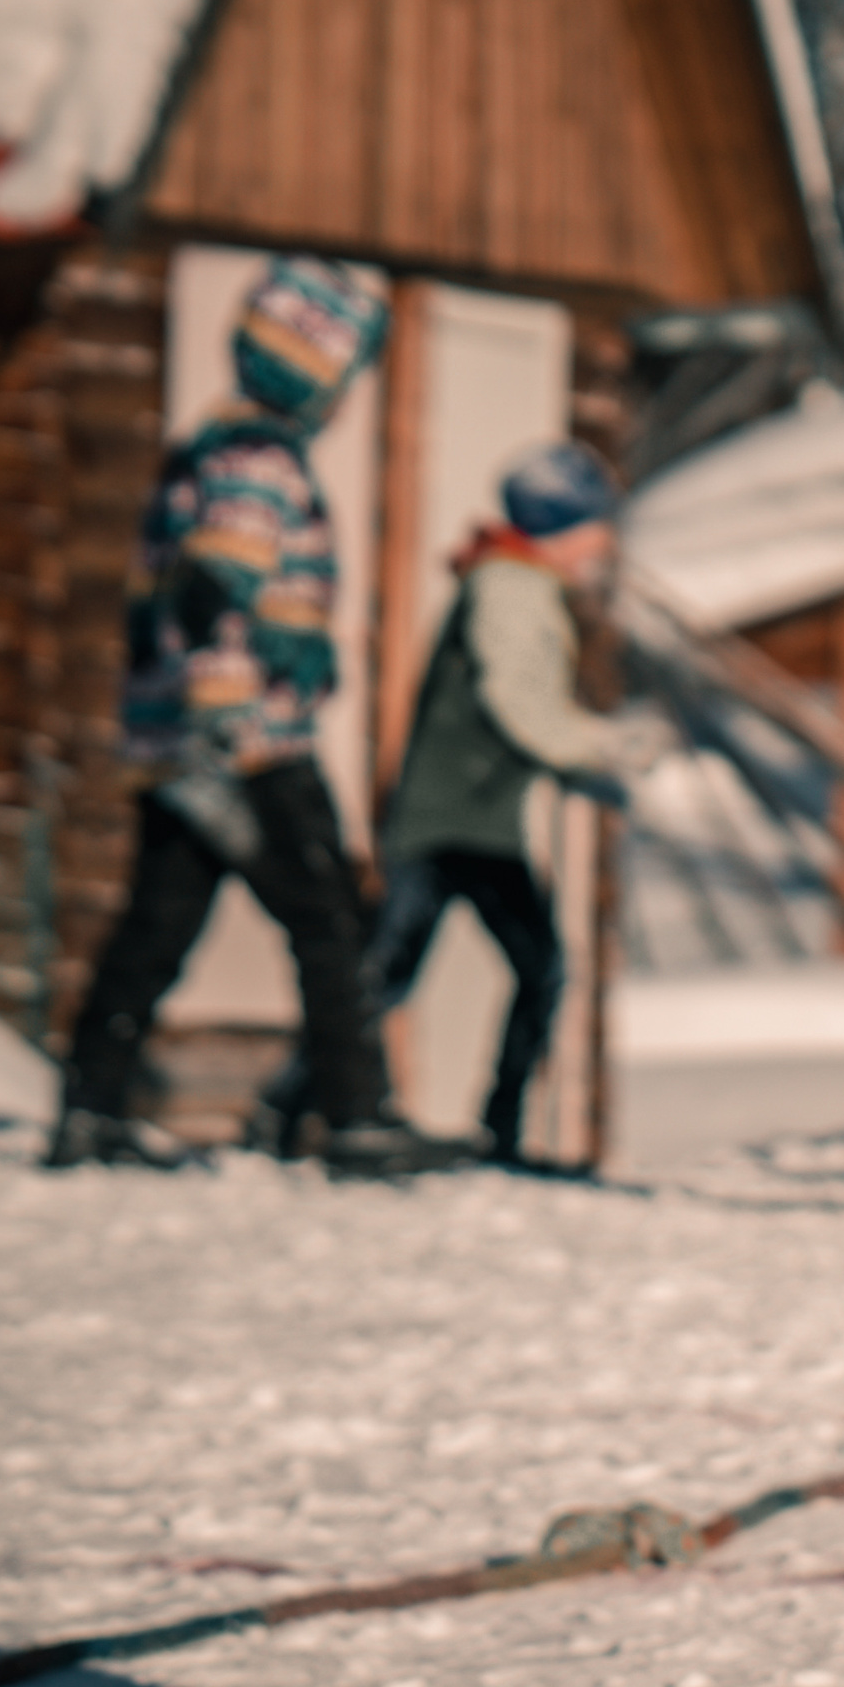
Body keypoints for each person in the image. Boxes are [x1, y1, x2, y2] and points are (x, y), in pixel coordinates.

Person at [51, 258, 458, 1176]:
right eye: (346, 376)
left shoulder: (209, 447)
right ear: (313, 377)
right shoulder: (260, 459)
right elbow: (213, 584)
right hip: (244, 746)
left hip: (178, 740)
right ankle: (356, 1118)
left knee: (156, 925)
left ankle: (91, 1107)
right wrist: (227, 720)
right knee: (331, 924)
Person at [369, 443, 662, 1169]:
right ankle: (306, 1110)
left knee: (519, 967)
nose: (604, 543)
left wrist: (570, 758)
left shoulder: (518, 579)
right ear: (561, 524)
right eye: (595, 527)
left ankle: (496, 1129)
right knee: (393, 971)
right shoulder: (510, 585)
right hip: (449, 820)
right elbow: (519, 702)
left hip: (477, 816)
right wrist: (602, 749)